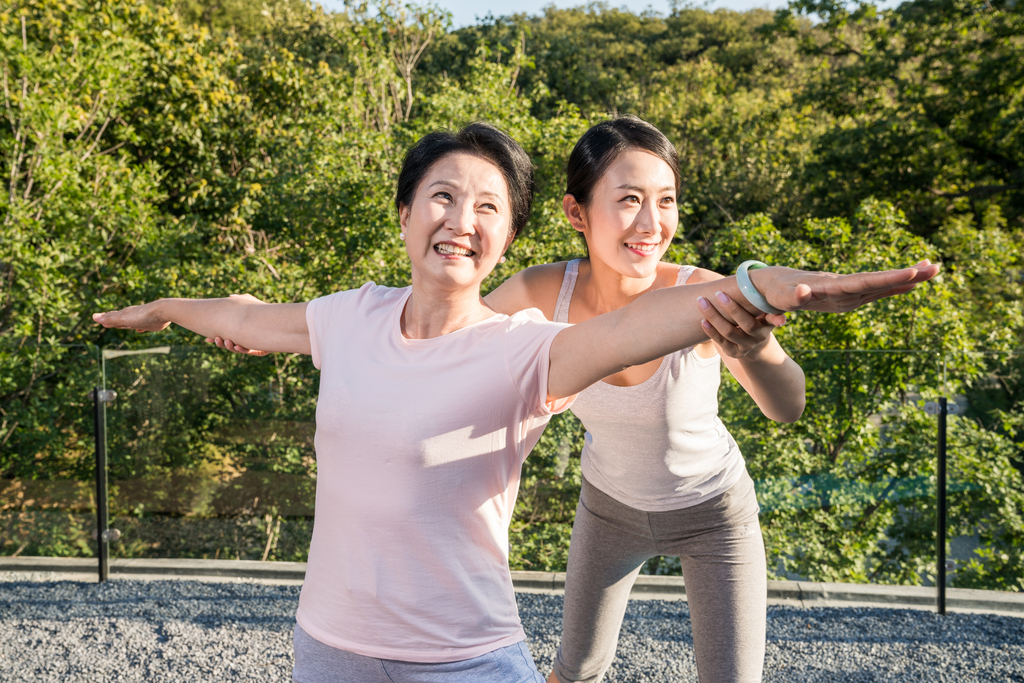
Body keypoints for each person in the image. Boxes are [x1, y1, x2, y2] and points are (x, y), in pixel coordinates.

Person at [95, 121, 938, 683]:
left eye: (489, 207)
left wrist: (770, 293)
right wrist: (168, 308)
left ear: (507, 231)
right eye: (444, 197)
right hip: (348, 637)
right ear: (404, 212)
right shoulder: (362, 316)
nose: (463, 220)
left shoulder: (536, 344)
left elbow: (662, 320)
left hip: (545, 609)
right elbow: (251, 315)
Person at [485, 116, 799, 683]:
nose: (652, 224)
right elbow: (450, 343)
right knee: (575, 671)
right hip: (609, 508)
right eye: (629, 200)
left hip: (715, 514)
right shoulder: (540, 292)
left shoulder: (700, 294)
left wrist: (756, 349)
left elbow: (787, 405)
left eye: (667, 200)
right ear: (576, 213)